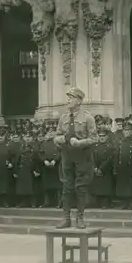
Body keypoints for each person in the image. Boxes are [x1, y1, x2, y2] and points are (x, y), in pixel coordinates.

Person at [54, 87, 97, 229]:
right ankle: (66, 218)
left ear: (78, 101)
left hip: (82, 155)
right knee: (66, 187)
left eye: (71, 98)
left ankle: (80, 218)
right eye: (68, 97)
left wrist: (80, 142)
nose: (68, 100)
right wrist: (63, 139)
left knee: (81, 188)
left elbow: (94, 138)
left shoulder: (87, 117)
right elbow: (56, 137)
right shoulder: (63, 118)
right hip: (67, 155)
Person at [113, 123, 132, 210]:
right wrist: (115, 168)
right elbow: (116, 156)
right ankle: (124, 203)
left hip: (130, 167)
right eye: (125, 130)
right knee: (123, 186)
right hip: (122, 167)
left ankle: (131, 203)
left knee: (130, 186)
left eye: (128, 130)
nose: (127, 132)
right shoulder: (120, 142)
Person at [13, 130, 41, 208]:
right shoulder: (20, 147)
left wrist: (37, 170)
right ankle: (24, 202)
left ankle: (33, 202)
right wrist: (15, 171)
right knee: (23, 188)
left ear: (32, 137)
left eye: (29, 137)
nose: (27, 139)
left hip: (31, 169)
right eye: (25, 137)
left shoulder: (35, 147)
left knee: (32, 187)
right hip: (22, 169)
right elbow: (17, 160)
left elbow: (38, 161)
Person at [89, 128, 115, 209]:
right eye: (100, 136)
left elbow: (109, 160)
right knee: (97, 188)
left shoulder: (110, 147)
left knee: (105, 189)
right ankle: (97, 203)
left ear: (107, 137)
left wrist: (101, 169)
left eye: (103, 136)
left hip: (105, 172)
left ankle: (105, 204)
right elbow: (91, 158)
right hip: (96, 171)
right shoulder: (95, 146)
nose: (102, 138)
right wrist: (95, 168)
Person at [39, 126, 62, 208]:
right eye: (49, 132)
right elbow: (40, 153)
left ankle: (59, 203)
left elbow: (61, 153)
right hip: (46, 167)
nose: (50, 134)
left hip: (56, 167)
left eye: (52, 132)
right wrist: (44, 160)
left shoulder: (58, 143)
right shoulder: (43, 144)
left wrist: (55, 160)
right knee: (46, 186)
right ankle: (46, 202)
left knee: (58, 186)